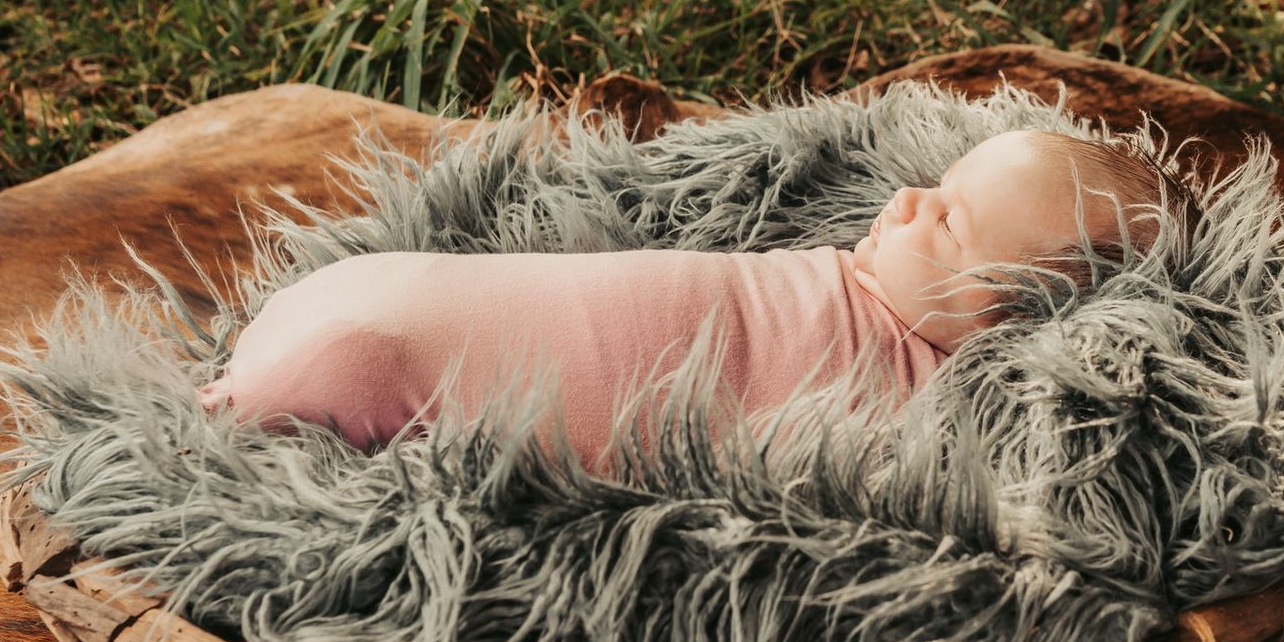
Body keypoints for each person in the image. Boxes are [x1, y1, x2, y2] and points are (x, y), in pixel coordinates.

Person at [195, 128, 1187, 462]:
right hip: (384, 311)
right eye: (943, 180)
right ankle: (277, 383)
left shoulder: (923, 400)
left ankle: (281, 386)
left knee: (377, 358)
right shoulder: (834, 276)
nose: (911, 197)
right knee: (391, 338)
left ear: (1017, 314)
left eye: (956, 219)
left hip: (385, 351)